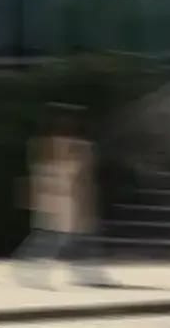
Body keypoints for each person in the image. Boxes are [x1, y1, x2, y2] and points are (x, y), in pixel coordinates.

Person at [15, 105, 111, 288]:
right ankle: (28, 270)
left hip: (60, 200)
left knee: (66, 239)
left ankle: (86, 274)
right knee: (53, 239)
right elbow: (77, 177)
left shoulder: (48, 146)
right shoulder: (75, 148)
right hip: (67, 201)